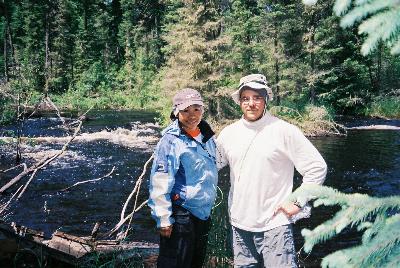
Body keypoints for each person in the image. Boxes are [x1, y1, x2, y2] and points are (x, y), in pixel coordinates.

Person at [216, 74, 327, 267]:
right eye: (245, 98)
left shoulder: (284, 131)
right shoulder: (228, 133)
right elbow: (211, 165)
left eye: (257, 97)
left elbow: (317, 167)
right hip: (239, 225)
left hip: (275, 225)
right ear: (240, 102)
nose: (251, 103)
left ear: (266, 99)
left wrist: (298, 201)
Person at [148, 88, 218, 268]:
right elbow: (159, 181)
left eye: (196, 109)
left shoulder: (207, 135)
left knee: (195, 263)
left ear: (203, 110)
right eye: (186, 110)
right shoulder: (171, 141)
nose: (192, 115)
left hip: (202, 214)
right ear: (176, 112)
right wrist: (163, 218)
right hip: (181, 214)